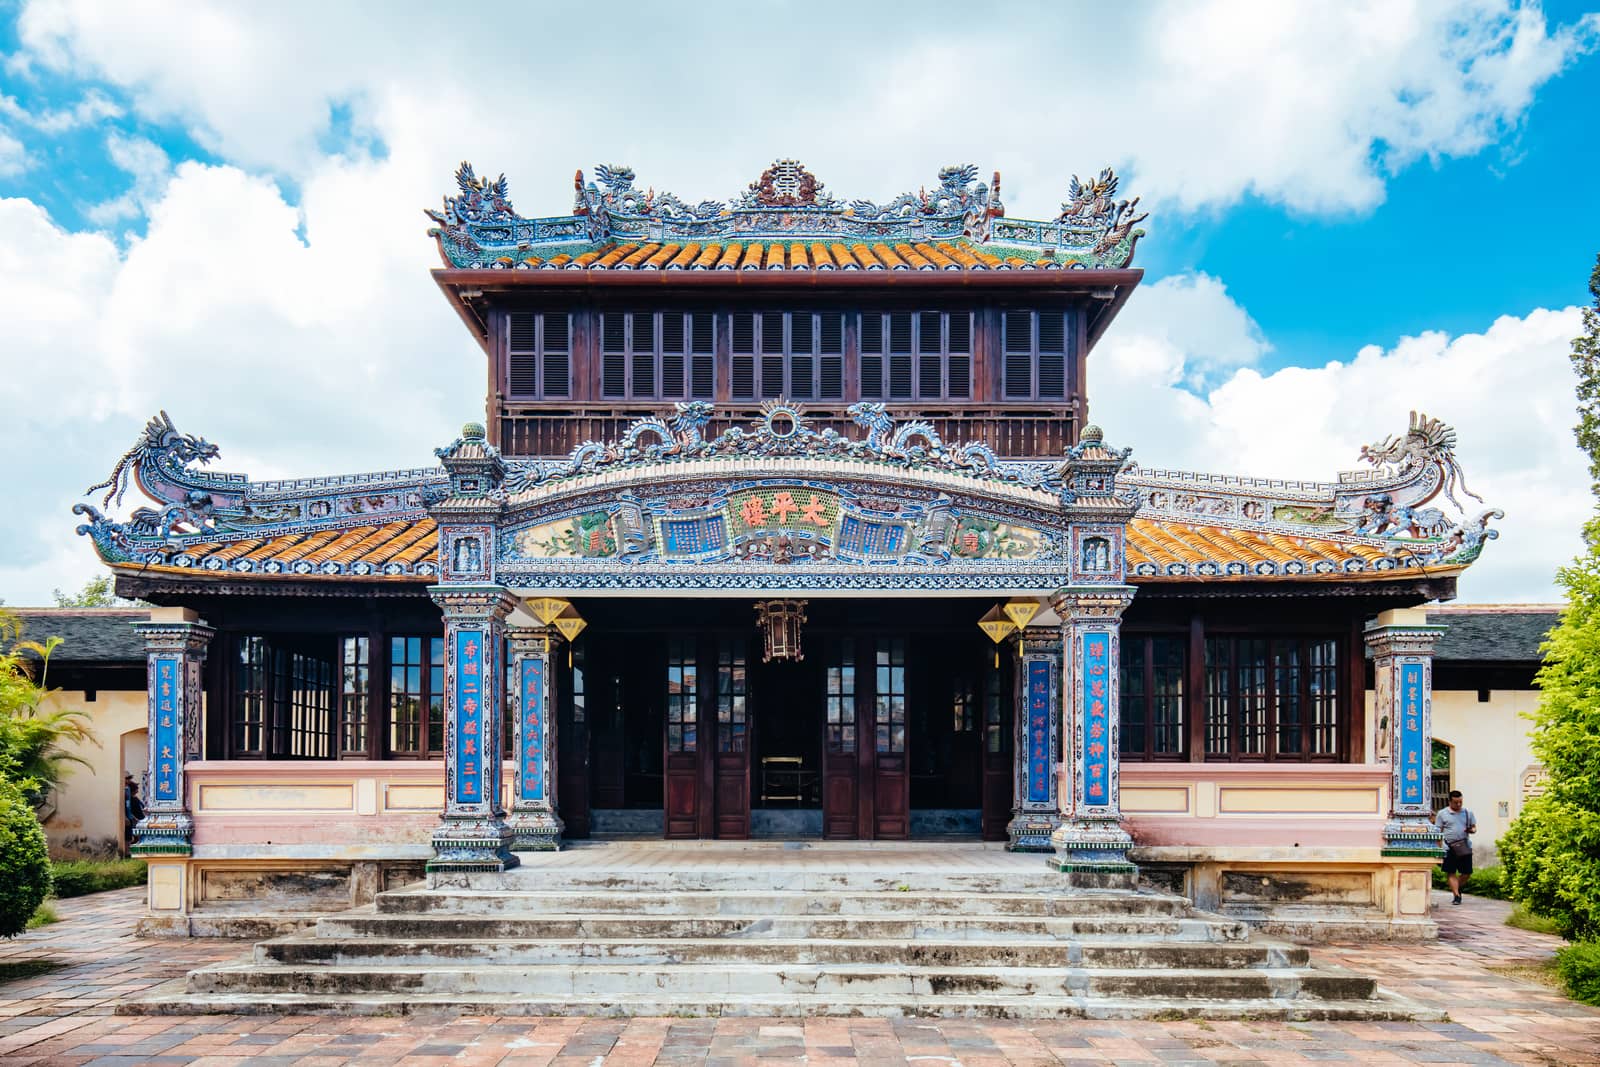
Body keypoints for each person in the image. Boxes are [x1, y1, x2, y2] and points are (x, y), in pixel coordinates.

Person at [1434, 789, 1476, 905]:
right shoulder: (1442, 814)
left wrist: (1471, 830)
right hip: (1448, 847)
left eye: (1460, 802)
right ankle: (1457, 895)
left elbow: (1474, 827)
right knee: (1450, 871)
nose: (1458, 805)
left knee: (1467, 872)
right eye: (1456, 802)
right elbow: (1438, 831)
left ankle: (1456, 887)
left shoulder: (1468, 813)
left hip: (1464, 846)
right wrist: (1438, 848)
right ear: (1450, 802)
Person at [123, 773, 144, 851]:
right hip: (130, 817)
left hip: (131, 817)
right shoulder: (123, 790)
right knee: (129, 835)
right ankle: (127, 852)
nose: (128, 780)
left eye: (129, 778)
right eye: (127, 778)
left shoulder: (127, 789)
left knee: (129, 835)